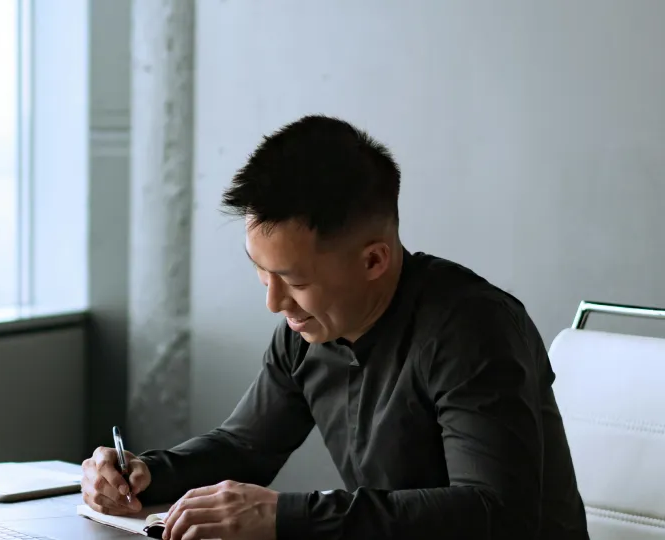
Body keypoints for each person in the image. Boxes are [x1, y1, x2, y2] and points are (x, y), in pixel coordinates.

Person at [81, 115, 588, 540]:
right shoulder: (307, 331)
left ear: (374, 260)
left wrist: (282, 516)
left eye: (292, 281)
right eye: (261, 273)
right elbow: (245, 448)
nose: (274, 302)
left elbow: (494, 514)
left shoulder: (473, 329)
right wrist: (145, 473)